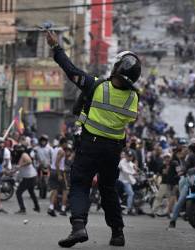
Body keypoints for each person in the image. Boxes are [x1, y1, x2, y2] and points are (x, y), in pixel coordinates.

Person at [46, 31, 140, 247]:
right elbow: (131, 118)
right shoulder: (134, 98)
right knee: (108, 189)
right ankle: (118, 233)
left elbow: (71, 71)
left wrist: (56, 47)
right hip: (113, 149)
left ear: (117, 68)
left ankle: (78, 226)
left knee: (80, 184)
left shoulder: (96, 86)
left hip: (90, 145)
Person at [14, 145, 40, 214]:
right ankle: (37, 207)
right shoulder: (20, 157)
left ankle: (22, 209)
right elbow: (18, 168)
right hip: (29, 176)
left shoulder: (24, 154)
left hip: (29, 177)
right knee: (31, 192)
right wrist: (10, 172)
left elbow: (29, 161)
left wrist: (20, 165)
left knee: (18, 192)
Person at [47, 137, 68, 217]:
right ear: (63, 143)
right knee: (65, 190)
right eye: (66, 143)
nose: (66, 145)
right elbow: (57, 163)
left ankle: (51, 208)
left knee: (55, 190)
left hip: (52, 171)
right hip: (58, 171)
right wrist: (59, 174)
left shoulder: (55, 149)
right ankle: (63, 209)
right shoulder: (62, 151)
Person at [118, 150, 137, 215]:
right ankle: (128, 209)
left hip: (128, 181)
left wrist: (138, 171)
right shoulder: (122, 162)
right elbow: (125, 170)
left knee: (133, 192)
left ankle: (130, 206)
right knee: (131, 193)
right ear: (126, 156)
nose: (129, 157)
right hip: (122, 181)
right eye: (128, 156)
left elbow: (135, 170)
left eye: (131, 156)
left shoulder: (131, 163)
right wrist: (133, 172)